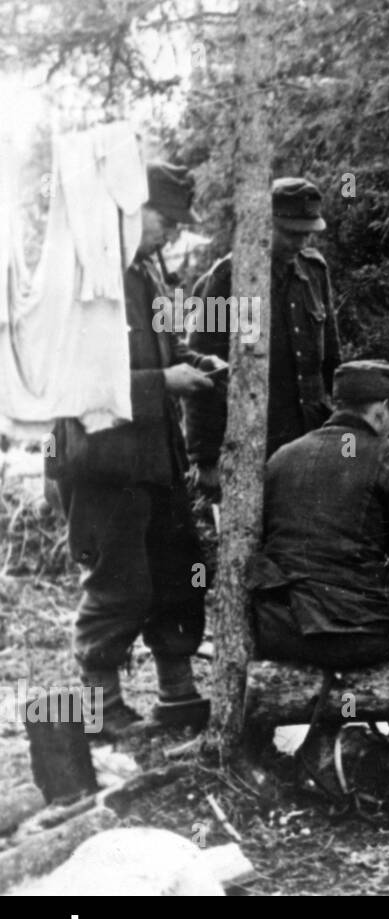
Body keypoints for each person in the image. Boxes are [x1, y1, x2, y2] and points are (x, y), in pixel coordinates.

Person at [47, 162, 219, 737]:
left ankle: (178, 691)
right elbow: (74, 380)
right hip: (102, 464)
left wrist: (196, 364)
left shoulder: (147, 269)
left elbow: (166, 347)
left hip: (156, 459)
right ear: (128, 206)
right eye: (164, 220)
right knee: (118, 582)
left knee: (182, 570)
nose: (171, 233)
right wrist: (162, 385)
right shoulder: (85, 275)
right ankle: (101, 707)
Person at [248, 361, 389, 667]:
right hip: (351, 636)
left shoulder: (283, 455)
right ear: (380, 409)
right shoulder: (387, 456)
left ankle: (333, 709)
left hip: (281, 629)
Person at [184, 177, 341, 492]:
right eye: (289, 233)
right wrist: (206, 458)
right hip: (255, 441)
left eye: (306, 234)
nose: (299, 243)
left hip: (311, 434)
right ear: (262, 224)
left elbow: (332, 359)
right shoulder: (227, 279)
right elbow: (202, 371)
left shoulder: (314, 271)